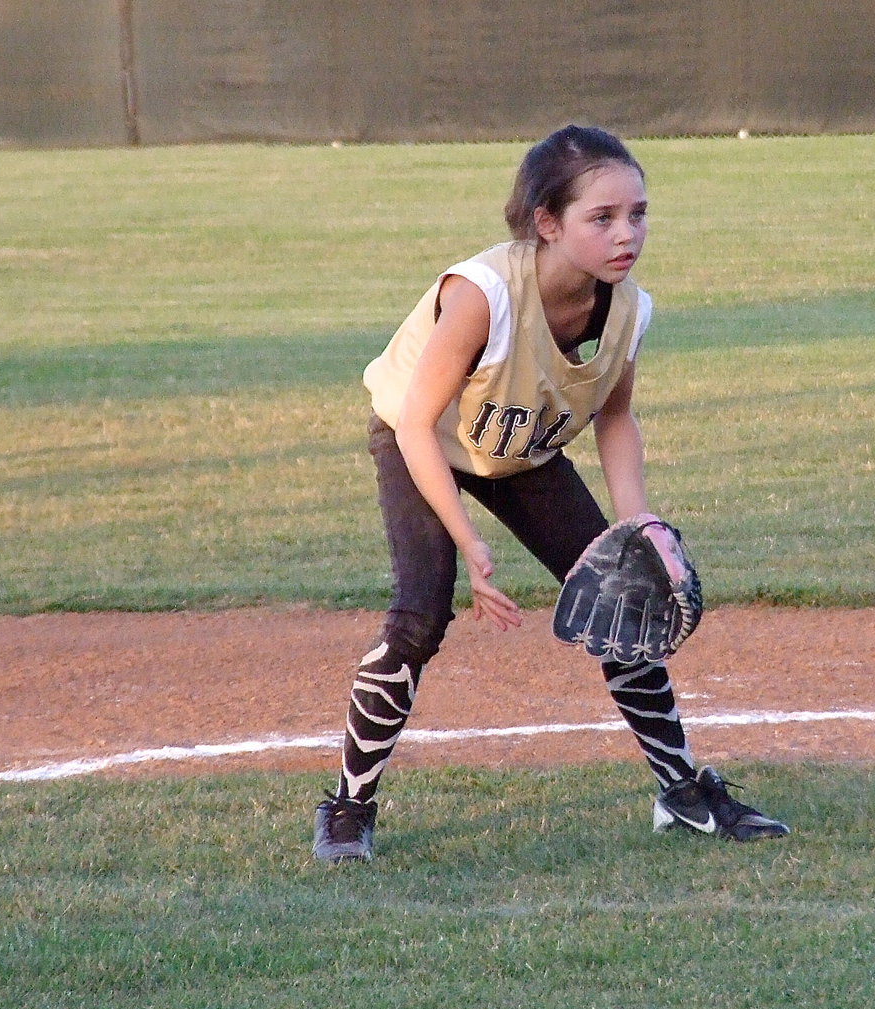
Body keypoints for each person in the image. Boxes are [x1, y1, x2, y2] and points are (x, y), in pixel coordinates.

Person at [312, 125, 789, 862]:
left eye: (637, 213)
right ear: (547, 223)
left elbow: (617, 417)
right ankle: (348, 808)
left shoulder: (628, 309)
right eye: (601, 218)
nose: (625, 233)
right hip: (426, 443)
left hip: (523, 448)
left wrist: (640, 530)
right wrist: (470, 545)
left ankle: (681, 794)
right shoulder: (484, 293)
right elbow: (412, 423)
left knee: (627, 599)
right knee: (418, 616)